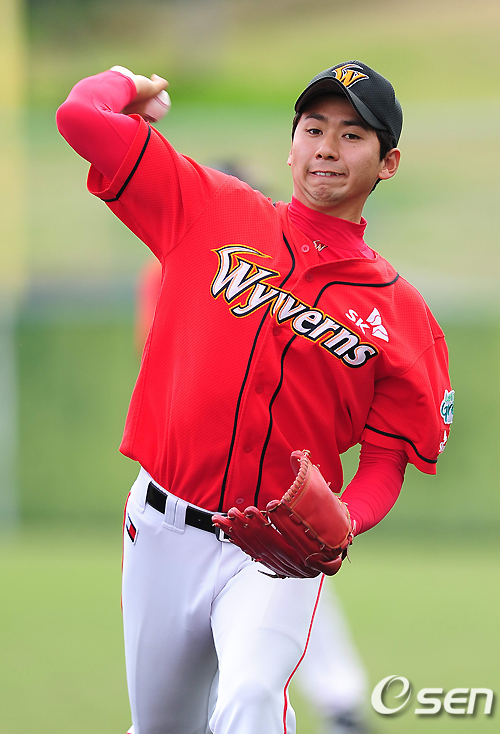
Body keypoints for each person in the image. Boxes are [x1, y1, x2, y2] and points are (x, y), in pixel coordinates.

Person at [56, 60, 453, 734]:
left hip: (274, 549)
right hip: (162, 530)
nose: (327, 147)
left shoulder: (403, 316)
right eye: (313, 128)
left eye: (353, 135)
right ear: (291, 146)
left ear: (388, 163)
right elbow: (80, 118)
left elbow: (387, 460)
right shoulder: (211, 209)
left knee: (249, 697)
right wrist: (128, 82)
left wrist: (344, 518)